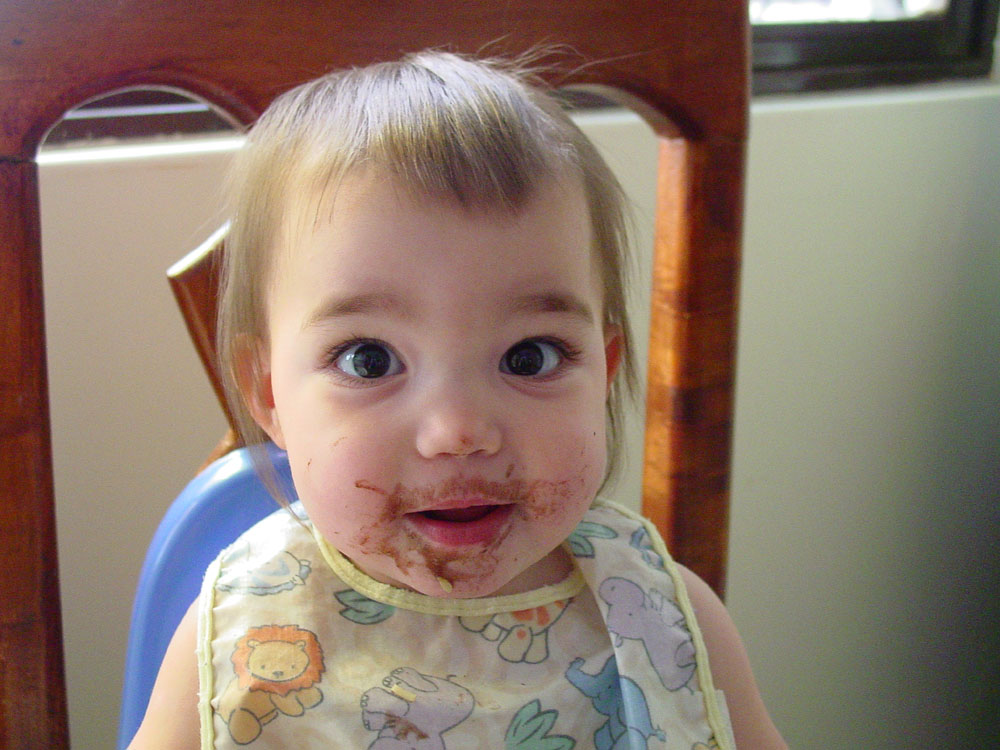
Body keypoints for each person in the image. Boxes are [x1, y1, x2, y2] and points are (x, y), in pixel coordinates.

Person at [129, 50, 786, 749]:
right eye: (369, 359)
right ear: (268, 394)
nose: (458, 431)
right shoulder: (236, 643)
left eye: (530, 357)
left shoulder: (666, 624)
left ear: (603, 372)